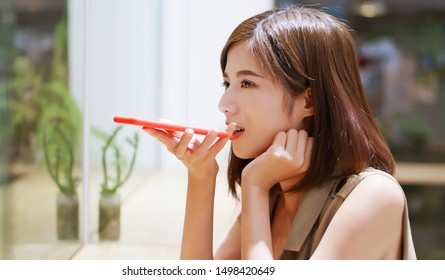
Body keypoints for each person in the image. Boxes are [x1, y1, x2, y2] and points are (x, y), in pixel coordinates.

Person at [143, 5, 416, 260]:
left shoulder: (375, 196)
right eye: (227, 83)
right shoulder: (269, 188)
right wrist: (201, 178)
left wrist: (255, 186)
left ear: (309, 101)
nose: (224, 104)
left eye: (247, 83)